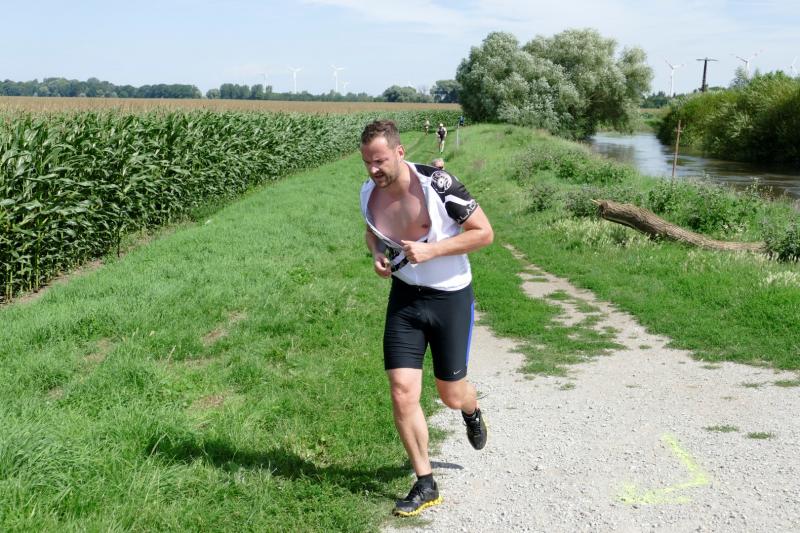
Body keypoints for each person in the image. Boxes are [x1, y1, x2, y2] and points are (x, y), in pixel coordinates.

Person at [359, 120, 493, 517]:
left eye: (380, 161)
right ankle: (425, 482)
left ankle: (470, 409)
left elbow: (484, 233)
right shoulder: (368, 191)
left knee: (450, 394)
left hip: (449, 297)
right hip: (405, 300)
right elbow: (371, 231)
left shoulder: (438, 184)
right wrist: (376, 254)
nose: (373, 169)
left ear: (400, 152)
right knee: (402, 390)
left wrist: (432, 251)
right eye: (367, 162)